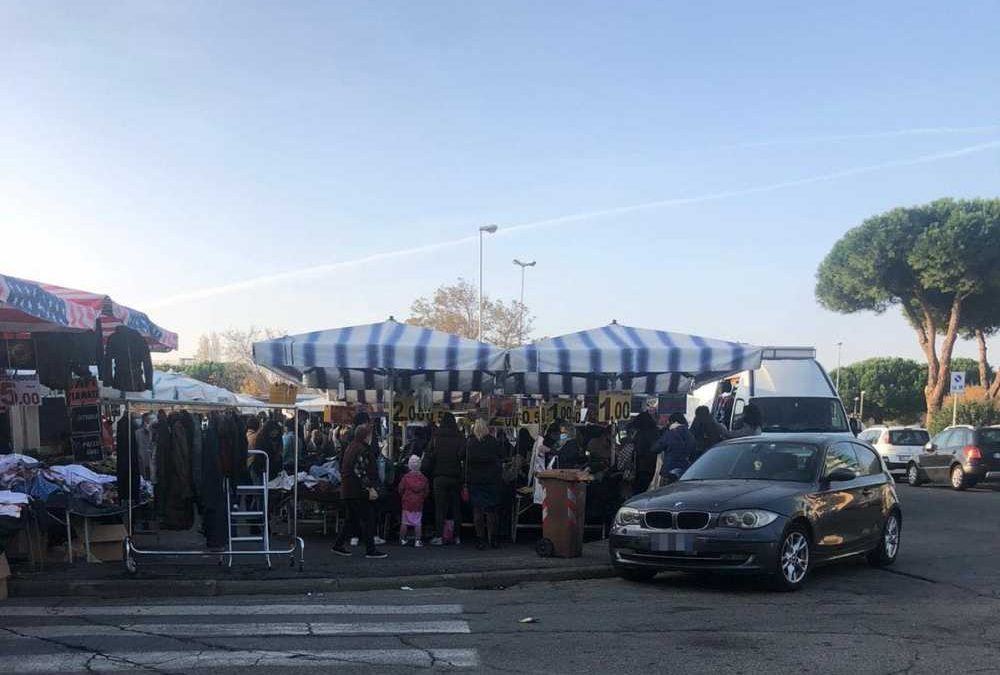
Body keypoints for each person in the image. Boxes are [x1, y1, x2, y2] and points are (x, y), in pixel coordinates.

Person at [331, 424, 388, 558]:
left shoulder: (351, 446)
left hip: (348, 489)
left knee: (351, 519)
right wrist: (370, 488)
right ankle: (370, 549)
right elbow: (360, 470)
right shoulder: (362, 449)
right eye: (370, 435)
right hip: (357, 490)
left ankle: (338, 545)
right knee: (368, 518)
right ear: (365, 436)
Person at [422, 412, 465, 546]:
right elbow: (463, 456)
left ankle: (439, 536)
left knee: (440, 508)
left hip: (439, 477)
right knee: (456, 507)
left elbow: (429, 457)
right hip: (456, 476)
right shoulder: (460, 437)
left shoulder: (436, 437)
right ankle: (457, 536)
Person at [466, 419, 503, 550]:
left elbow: (463, 457)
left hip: (475, 480)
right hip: (491, 480)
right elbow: (502, 455)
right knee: (491, 511)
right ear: (487, 428)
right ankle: (493, 539)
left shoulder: (470, 442)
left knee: (478, 510)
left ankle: (480, 539)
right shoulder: (493, 441)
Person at [653, 413, 697, 485]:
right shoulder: (690, 435)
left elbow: (656, 448)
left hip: (669, 468)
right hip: (685, 470)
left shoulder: (670, 433)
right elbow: (693, 453)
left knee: (666, 490)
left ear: (673, 422)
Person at [398, 454, 429, 547]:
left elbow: (400, 489)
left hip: (407, 502)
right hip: (418, 503)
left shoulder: (405, 478)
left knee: (404, 522)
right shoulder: (424, 479)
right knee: (418, 523)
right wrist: (422, 497)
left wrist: (403, 496)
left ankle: (402, 539)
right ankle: (417, 540)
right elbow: (426, 491)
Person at [632, 412, 659, 493]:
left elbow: (639, 450)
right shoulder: (656, 432)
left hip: (642, 466)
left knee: (640, 491)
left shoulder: (641, 434)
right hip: (654, 465)